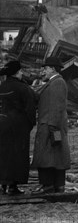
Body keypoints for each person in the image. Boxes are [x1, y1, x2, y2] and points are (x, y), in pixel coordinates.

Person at [31, 57, 70, 194]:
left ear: (52, 69)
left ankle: (48, 185)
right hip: (50, 124)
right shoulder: (53, 82)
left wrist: (52, 127)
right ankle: (57, 185)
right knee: (55, 157)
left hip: (50, 125)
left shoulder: (57, 83)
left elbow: (57, 106)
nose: (44, 71)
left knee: (47, 157)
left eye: (45, 68)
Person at [0, 60, 36, 195]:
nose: (22, 73)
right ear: (16, 73)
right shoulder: (23, 88)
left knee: (3, 154)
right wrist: (29, 124)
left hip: (2, 124)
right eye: (20, 71)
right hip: (18, 126)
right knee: (17, 156)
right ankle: (13, 187)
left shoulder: (2, 86)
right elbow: (30, 108)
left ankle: (3, 184)